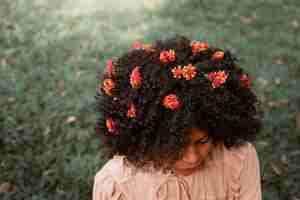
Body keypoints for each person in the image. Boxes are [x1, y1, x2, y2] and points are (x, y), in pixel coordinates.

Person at [93, 35, 264, 200]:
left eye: (203, 141)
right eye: (176, 145)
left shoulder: (238, 159)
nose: (193, 158)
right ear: (147, 140)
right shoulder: (116, 184)